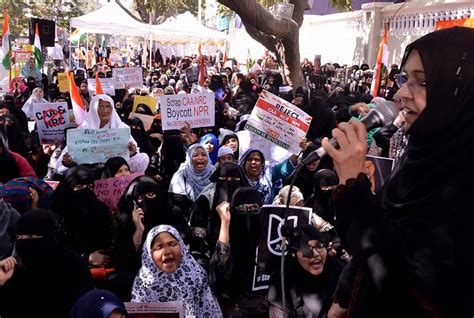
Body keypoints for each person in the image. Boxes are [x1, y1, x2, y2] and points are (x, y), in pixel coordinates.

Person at [324, 27, 474, 317]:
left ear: (461, 92)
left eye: (421, 82)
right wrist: (343, 297)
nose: (401, 93)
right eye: (405, 79)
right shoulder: (422, 157)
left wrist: (353, 188)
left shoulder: (464, 185)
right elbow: (383, 235)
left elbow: (404, 289)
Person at [0, 209, 94, 317]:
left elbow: (86, 306)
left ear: (49, 236)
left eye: (30, 236)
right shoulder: (14, 267)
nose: (23, 241)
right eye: (19, 237)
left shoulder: (73, 266)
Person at [131, 224, 222, 317]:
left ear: (181, 246)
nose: (167, 252)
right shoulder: (143, 284)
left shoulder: (196, 275)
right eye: (159, 247)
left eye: (172, 244)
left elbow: (209, 310)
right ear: (149, 254)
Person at [267, 224, 345, 317]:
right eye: (306, 248)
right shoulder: (282, 281)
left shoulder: (339, 272)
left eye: (320, 245)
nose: (315, 254)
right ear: (294, 254)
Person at [168, 144, 216, 221]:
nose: (200, 158)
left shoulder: (213, 172)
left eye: (204, 155)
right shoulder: (181, 174)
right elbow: (178, 202)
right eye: (195, 155)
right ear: (189, 158)